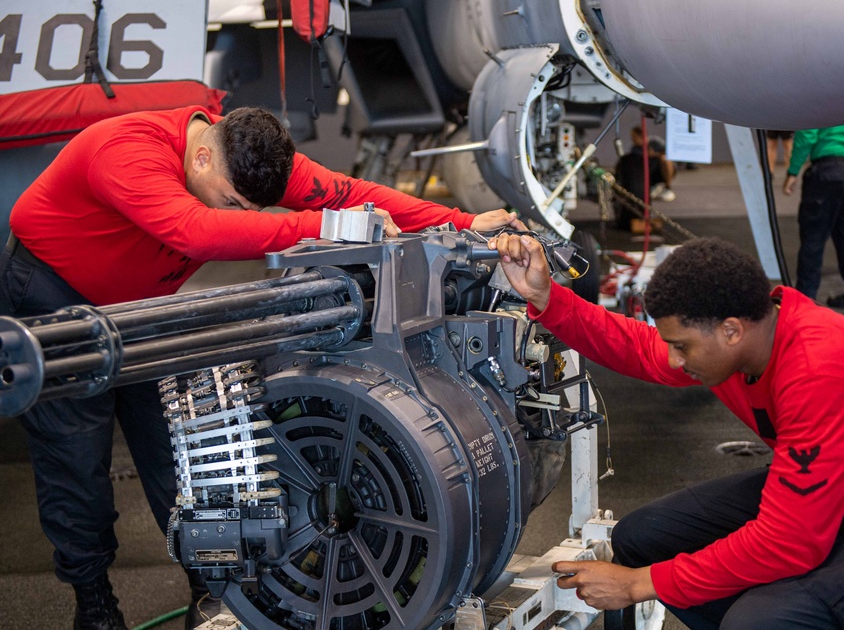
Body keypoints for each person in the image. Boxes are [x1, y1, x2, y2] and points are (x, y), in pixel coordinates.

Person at [0, 105, 522, 630]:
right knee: (76, 460)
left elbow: (344, 193)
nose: (239, 210)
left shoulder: (247, 152)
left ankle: (209, 583)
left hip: (140, 304)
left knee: (179, 450)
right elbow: (197, 232)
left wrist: (461, 222)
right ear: (201, 157)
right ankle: (93, 601)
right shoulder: (126, 152)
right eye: (233, 202)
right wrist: (324, 226)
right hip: (53, 298)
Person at [488, 233, 844, 629]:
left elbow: (791, 542)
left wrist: (639, 585)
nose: (672, 358)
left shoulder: (821, 369)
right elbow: (639, 347)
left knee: (765, 619)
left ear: (732, 330)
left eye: (682, 346)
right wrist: (548, 298)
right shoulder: (739, 345)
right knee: (644, 538)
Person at [783, 118, 844, 310]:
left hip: (828, 170)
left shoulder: (822, 92)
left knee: (813, 238)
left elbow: (807, 134)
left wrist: (793, 171)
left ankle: (804, 301)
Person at [615, 126, 676, 233]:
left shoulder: (655, 142)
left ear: (641, 136)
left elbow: (668, 153)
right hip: (640, 175)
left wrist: (653, 154)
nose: (633, 140)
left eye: (634, 137)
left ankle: (666, 188)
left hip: (655, 171)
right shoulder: (634, 150)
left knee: (666, 160)